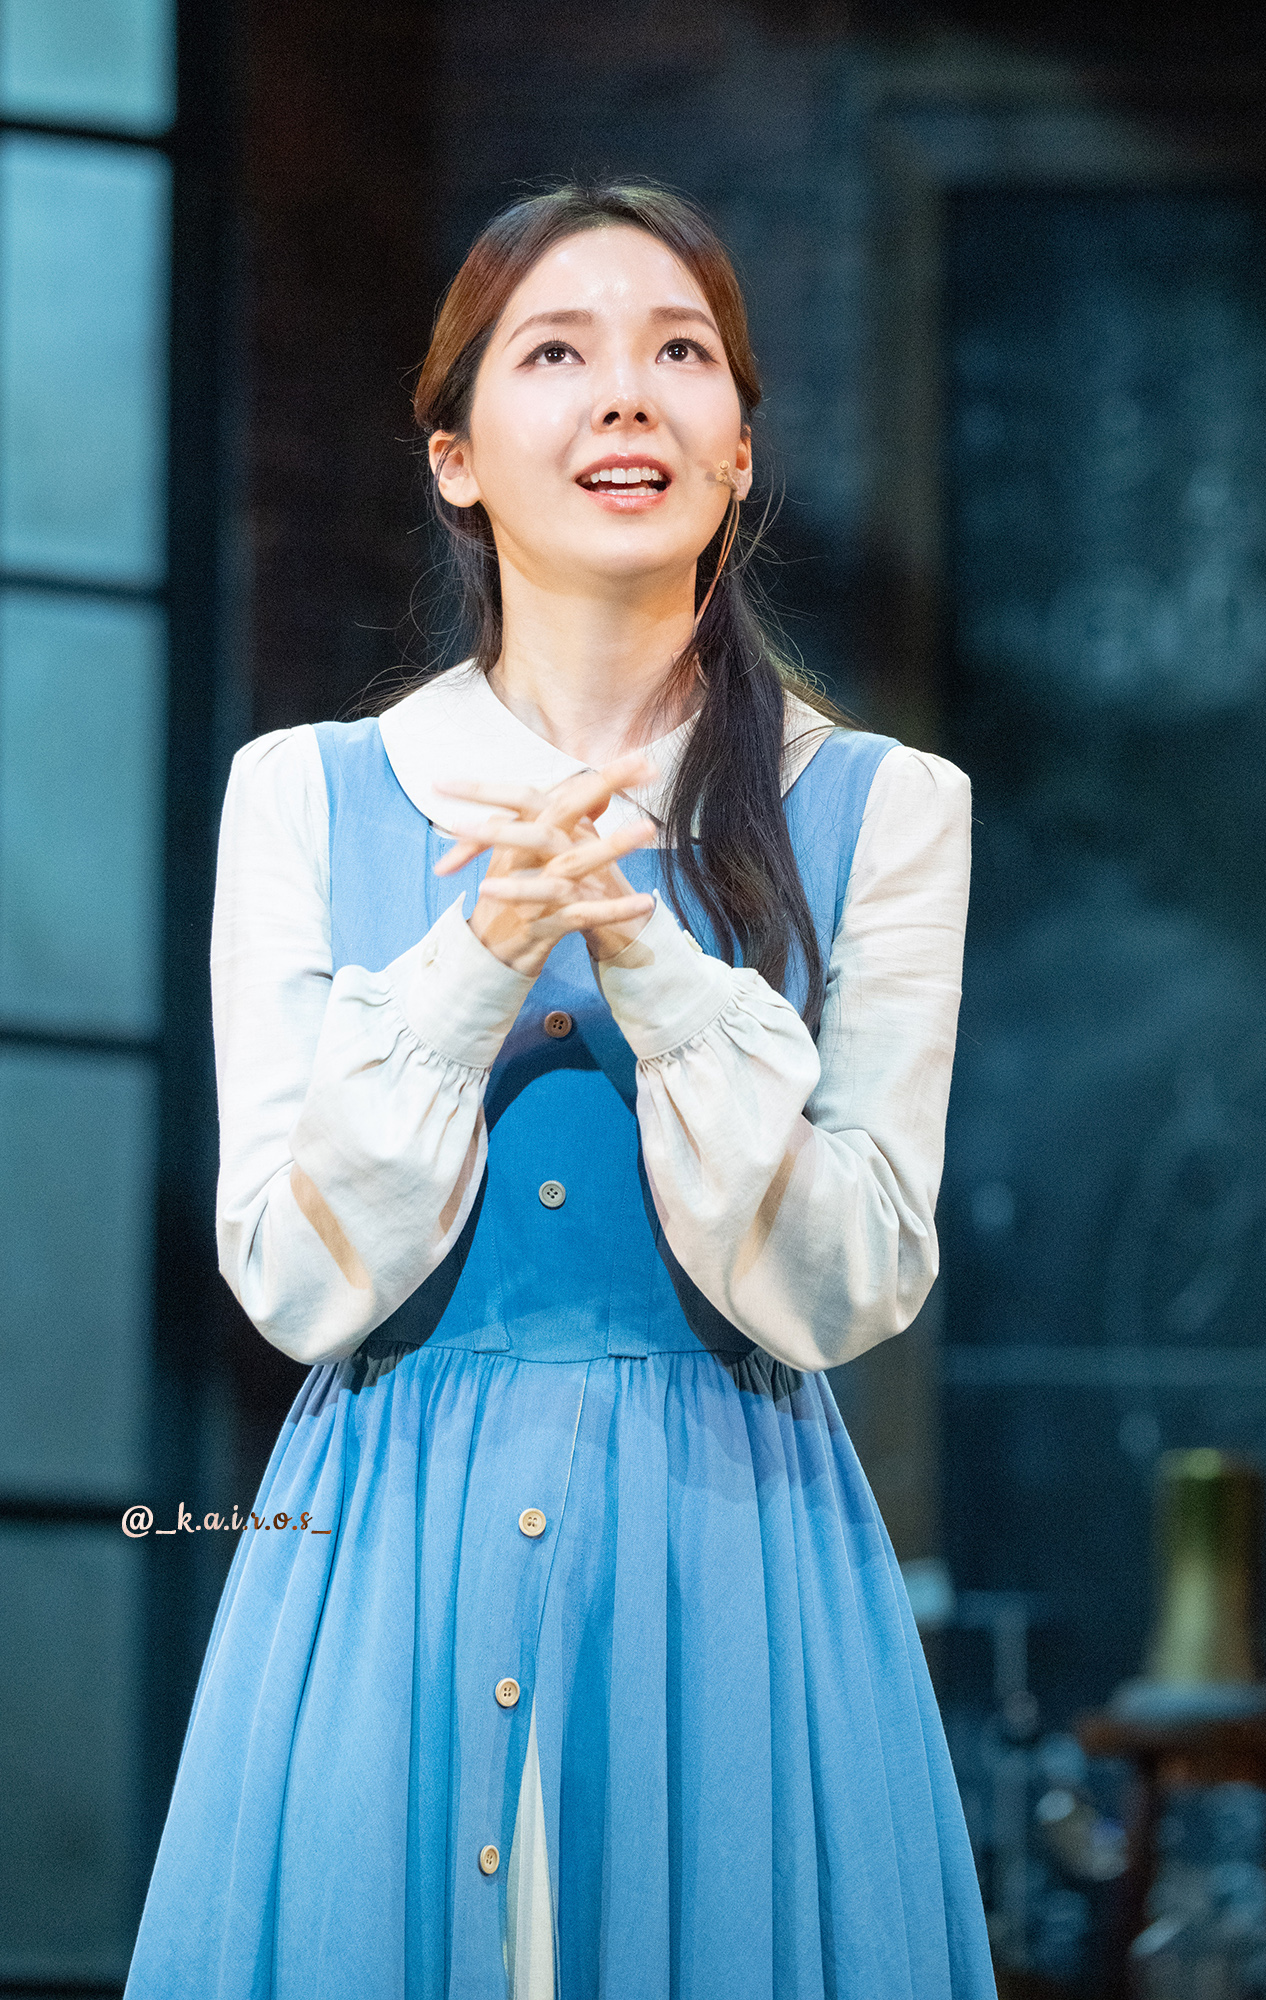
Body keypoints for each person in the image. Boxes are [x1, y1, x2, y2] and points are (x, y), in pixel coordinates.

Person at [123, 181, 995, 2000]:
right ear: (455, 458)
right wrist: (475, 962)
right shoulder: (308, 791)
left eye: (680, 353)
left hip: (737, 1564)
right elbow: (288, 1277)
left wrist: (654, 972)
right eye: (555, 353)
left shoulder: (882, 809)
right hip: (382, 1563)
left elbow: (851, 1282)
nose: (625, 395)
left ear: (737, 449)